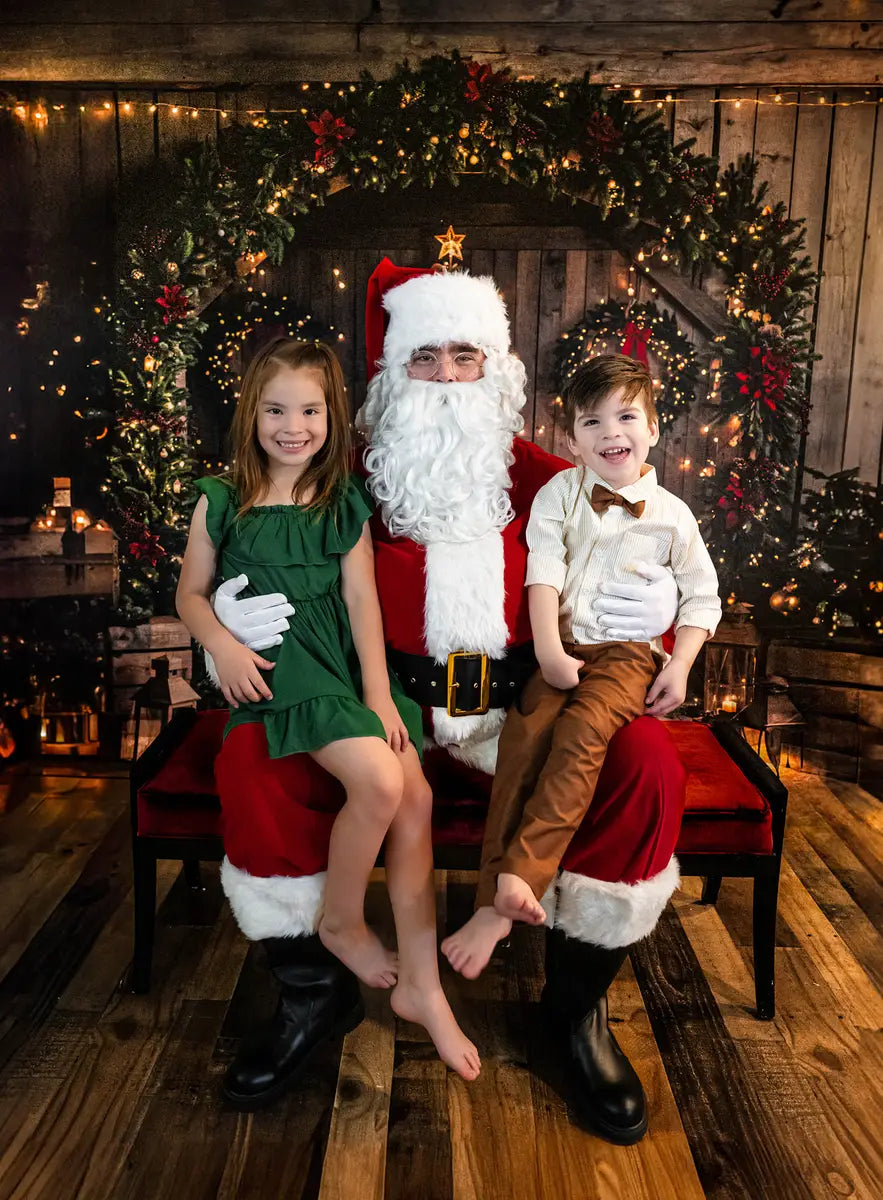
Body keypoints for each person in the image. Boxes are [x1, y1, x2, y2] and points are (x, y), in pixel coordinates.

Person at [210, 261, 686, 1145]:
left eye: (465, 356)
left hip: (516, 709)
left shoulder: (556, 478)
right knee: (252, 755)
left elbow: (641, 538)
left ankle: (573, 1014)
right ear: (389, 372)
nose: (445, 377)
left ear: (496, 369)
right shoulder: (330, 476)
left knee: (646, 764)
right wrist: (227, 617)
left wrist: (658, 602)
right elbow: (260, 539)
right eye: (422, 357)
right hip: (378, 703)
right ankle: (312, 999)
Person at [177, 337, 481, 1098]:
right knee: (379, 784)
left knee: (415, 797)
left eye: (309, 410)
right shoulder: (221, 497)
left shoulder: (341, 501)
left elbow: (360, 602)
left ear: (331, 416)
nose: (293, 426)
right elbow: (189, 593)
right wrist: (221, 640)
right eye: (276, 409)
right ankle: (341, 921)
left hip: (342, 670)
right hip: (282, 669)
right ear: (252, 413)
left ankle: (422, 987)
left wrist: (379, 696)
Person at [441, 354, 721, 980]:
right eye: (592, 423)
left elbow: (704, 597)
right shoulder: (558, 494)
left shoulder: (673, 515)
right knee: (524, 738)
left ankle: (522, 881)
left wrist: (678, 663)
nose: (611, 434)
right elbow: (543, 575)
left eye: (626, 417)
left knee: (580, 738)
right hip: (560, 647)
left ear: (653, 427)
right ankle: (493, 902)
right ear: (570, 439)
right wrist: (547, 651)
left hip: (627, 654)